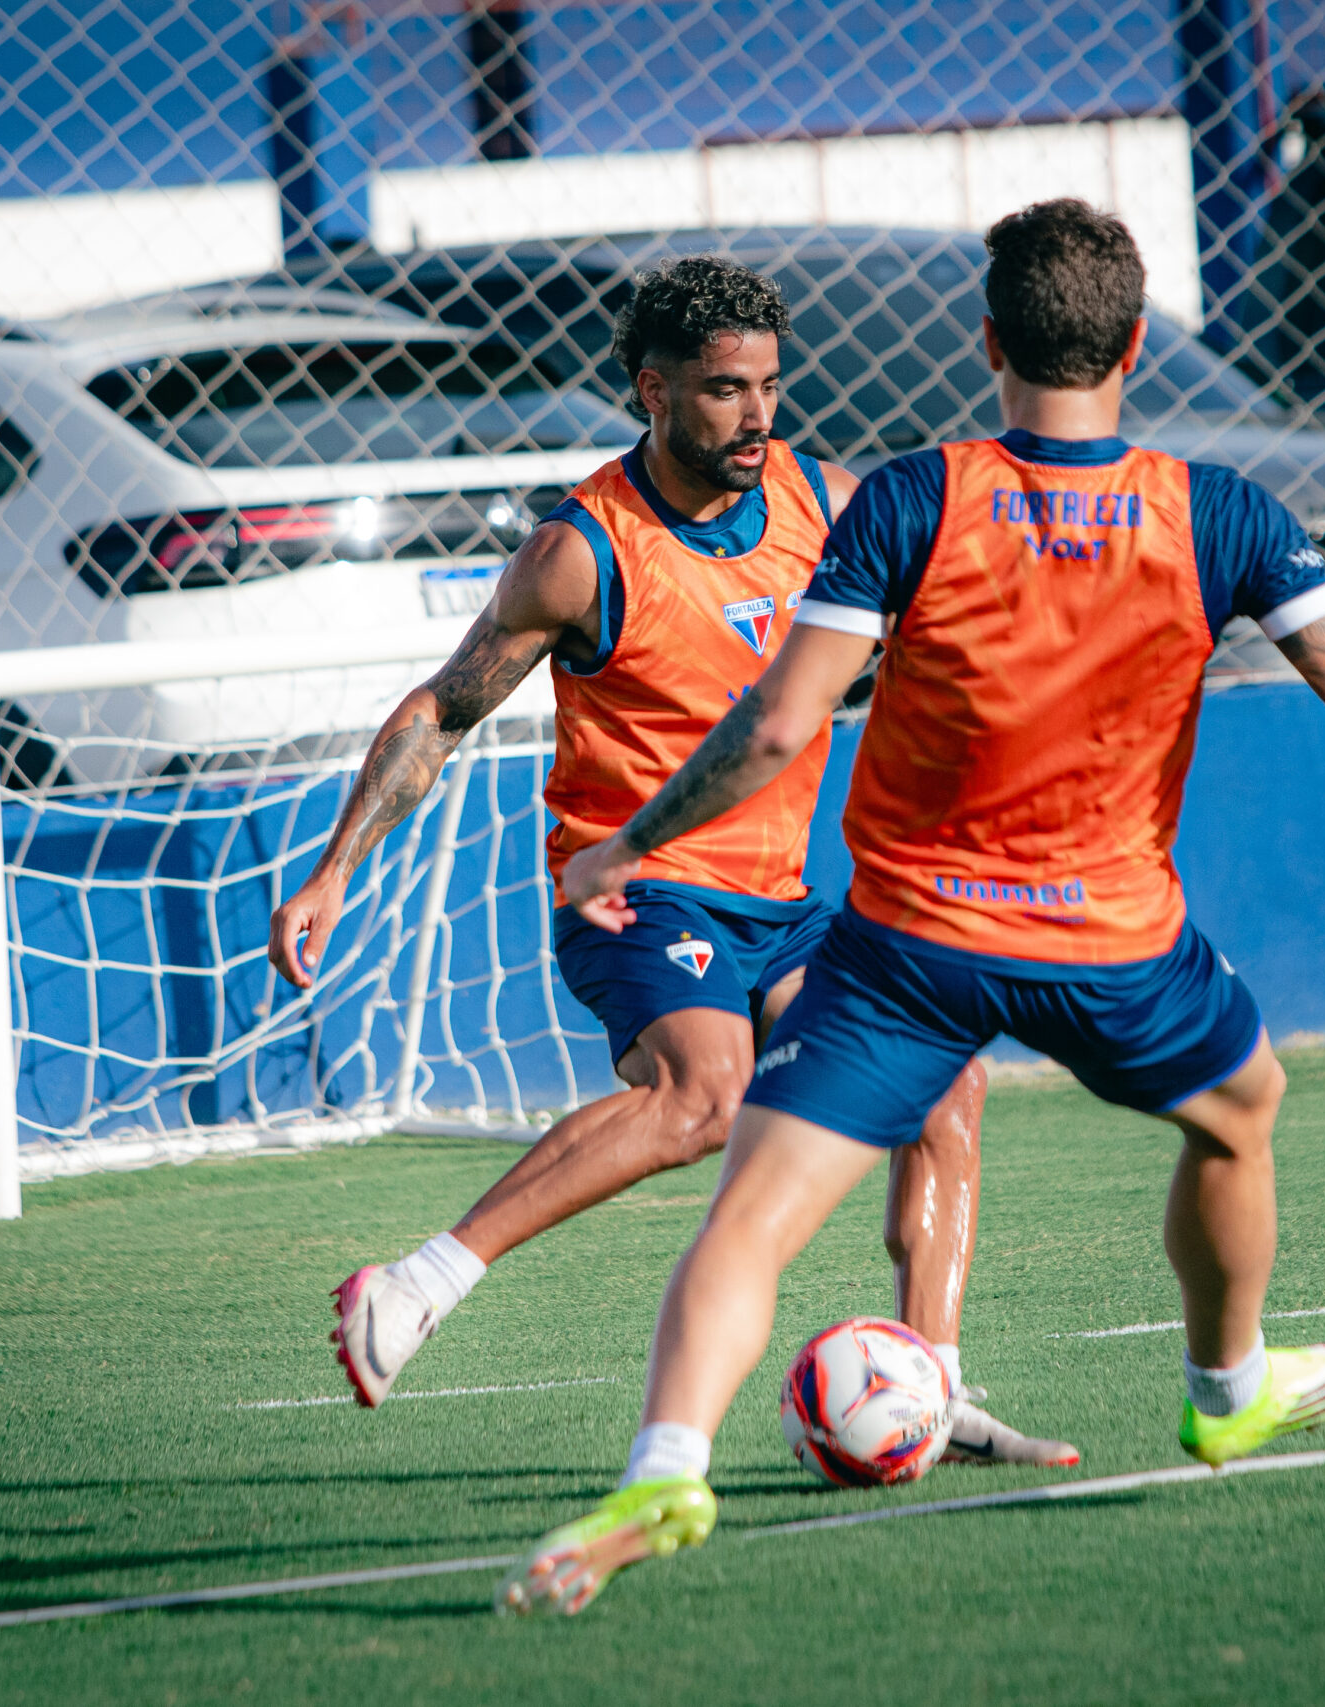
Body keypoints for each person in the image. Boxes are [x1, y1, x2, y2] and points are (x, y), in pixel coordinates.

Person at [503, 200, 1325, 1616]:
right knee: (1241, 1108)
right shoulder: (1227, 511)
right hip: (1115, 938)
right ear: (1134, 343)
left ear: (989, 340)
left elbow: (771, 732)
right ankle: (1229, 1388)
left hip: (910, 948)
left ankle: (666, 1464)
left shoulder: (909, 497)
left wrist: (626, 841)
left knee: (751, 1214)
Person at [268, 254, 1074, 1468]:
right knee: (706, 1093)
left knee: (940, 1080)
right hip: (635, 892)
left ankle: (933, 1382)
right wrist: (335, 871)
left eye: (767, 386)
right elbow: (441, 711)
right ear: (651, 389)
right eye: (720, 391)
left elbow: (939, 649)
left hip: (788, 904)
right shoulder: (581, 553)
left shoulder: (830, 505)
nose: (755, 417)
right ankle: (418, 1285)